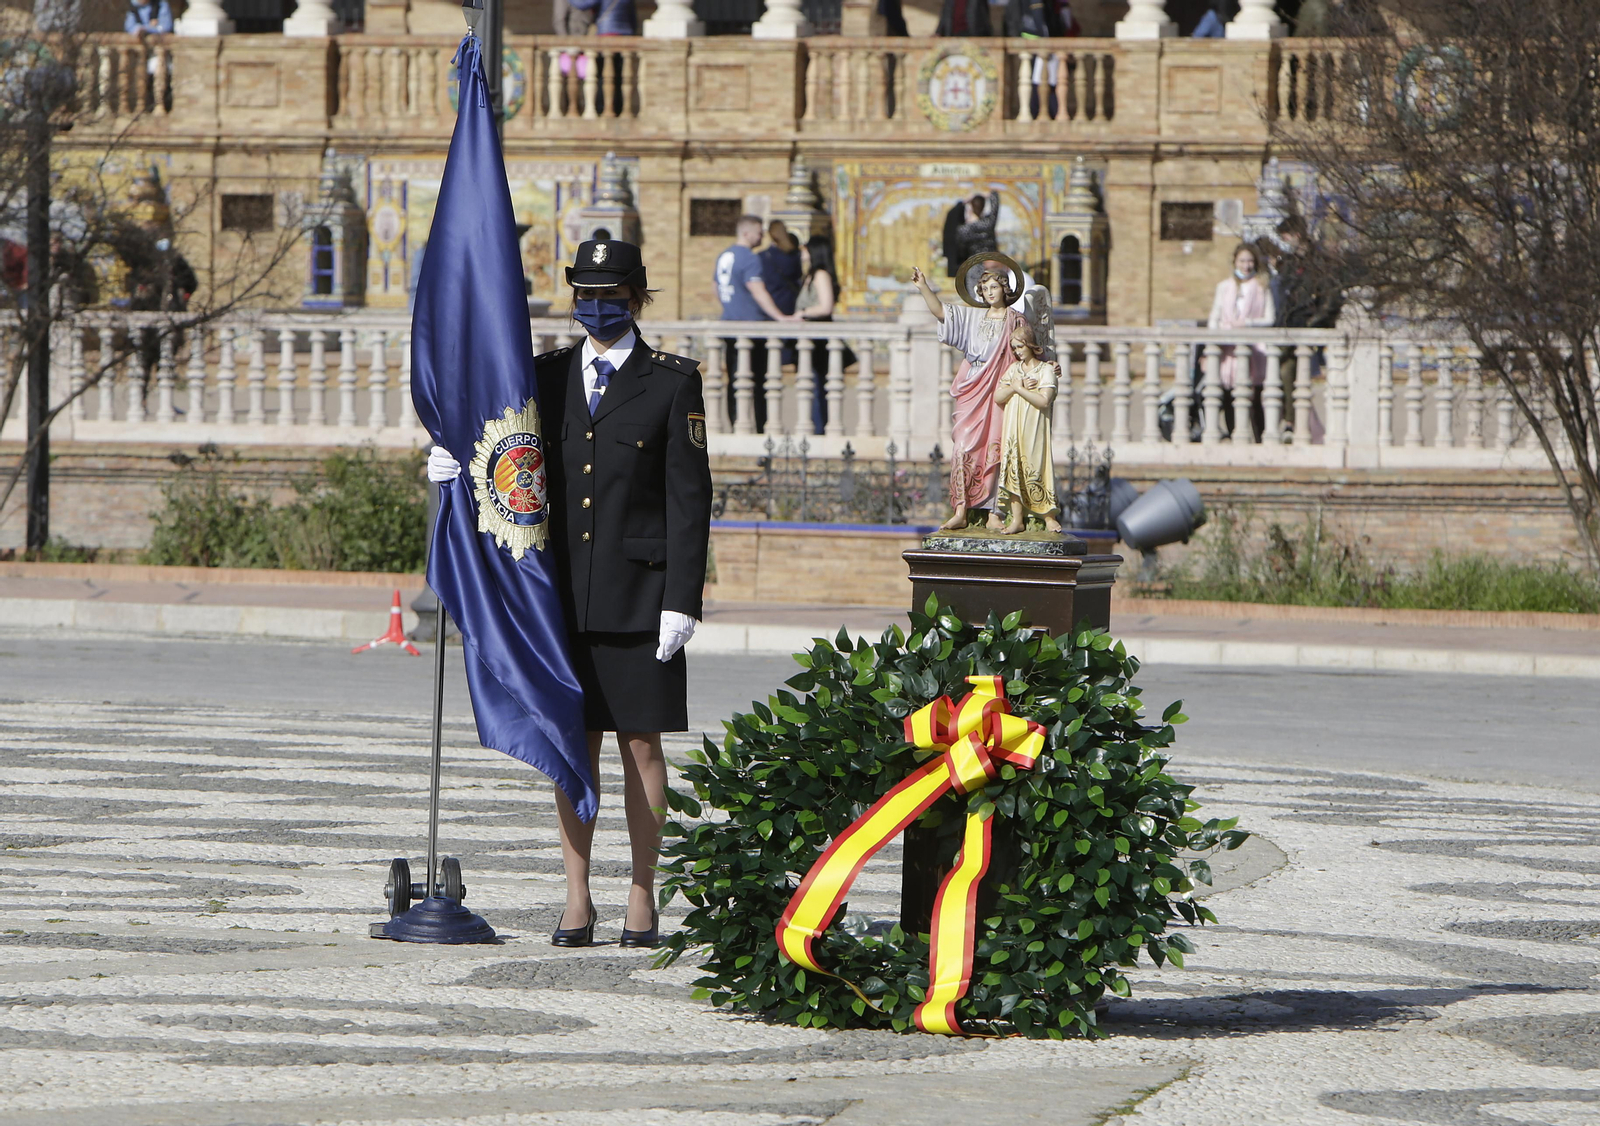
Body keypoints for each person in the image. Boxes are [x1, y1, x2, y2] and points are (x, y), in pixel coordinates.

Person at [427, 240, 712, 950]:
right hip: (558, 599)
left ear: (637, 295)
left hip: (641, 595)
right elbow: (508, 456)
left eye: (611, 293)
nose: (596, 306)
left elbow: (689, 500)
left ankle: (642, 897)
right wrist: (454, 460)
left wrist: (683, 597)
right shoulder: (547, 378)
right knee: (572, 747)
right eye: (584, 292)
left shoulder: (672, 383)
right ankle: (577, 896)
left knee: (641, 746)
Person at [912, 262, 1024, 532]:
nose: (990, 293)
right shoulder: (973, 318)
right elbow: (941, 313)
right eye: (985, 289)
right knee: (962, 446)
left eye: (994, 287)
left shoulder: (1016, 320)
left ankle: (994, 511)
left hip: (1001, 389)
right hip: (973, 388)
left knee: (996, 449)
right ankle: (961, 508)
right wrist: (923, 287)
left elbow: (1031, 349)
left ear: (1005, 289)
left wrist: (1048, 365)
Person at [715, 214, 797, 433]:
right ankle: (762, 427)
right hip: (751, 327)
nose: (762, 236)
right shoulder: (749, 258)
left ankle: (735, 424)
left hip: (729, 324)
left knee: (734, 380)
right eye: (759, 232)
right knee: (760, 382)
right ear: (746, 232)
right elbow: (758, 290)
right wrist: (780, 316)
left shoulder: (725, 255)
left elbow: (718, 288)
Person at [995, 320, 1062, 535]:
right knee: (1014, 466)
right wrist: (1016, 387)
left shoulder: (1045, 371)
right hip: (1013, 427)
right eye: (1014, 348)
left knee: (1038, 464)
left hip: (1035, 427)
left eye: (1020, 346)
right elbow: (998, 396)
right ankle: (1017, 518)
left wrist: (1019, 389)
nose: (1017, 352)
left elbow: (1044, 401)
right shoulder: (1013, 370)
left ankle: (1048, 515)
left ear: (1031, 345)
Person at [1207, 242, 1276, 441]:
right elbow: (1215, 316)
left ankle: (1260, 438)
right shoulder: (1224, 287)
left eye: (1250, 261)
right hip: (1228, 350)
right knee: (1229, 395)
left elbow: (1270, 319)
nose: (1246, 266)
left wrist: (1247, 323)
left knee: (1255, 397)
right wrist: (1217, 337)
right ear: (1235, 262)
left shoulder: (1262, 287)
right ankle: (1234, 435)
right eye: (1242, 261)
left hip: (1254, 349)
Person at [796, 233, 855, 435]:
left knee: (817, 387)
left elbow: (826, 306)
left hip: (819, 340)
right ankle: (816, 427)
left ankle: (819, 429)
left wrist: (801, 314)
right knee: (812, 386)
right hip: (809, 339)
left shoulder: (821, 275)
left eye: (806, 249)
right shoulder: (810, 275)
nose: (802, 253)